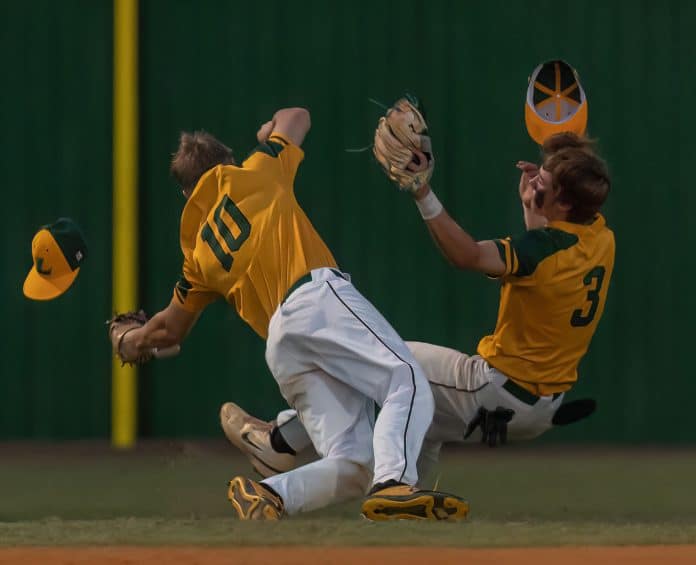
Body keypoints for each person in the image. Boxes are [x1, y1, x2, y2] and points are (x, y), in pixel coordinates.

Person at [111, 107, 468, 521]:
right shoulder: (256, 169)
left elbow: (168, 331)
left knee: (353, 463)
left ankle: (269, 494)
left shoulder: (197, 257)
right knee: (404, 379)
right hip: (315, 299)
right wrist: (267, 131)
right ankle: (394, 485)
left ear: (188, 194)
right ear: (226, 163)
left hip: (282, 345)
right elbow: (297, 116)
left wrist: (127, 339)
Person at [220, 131, 615, 486]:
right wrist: (538, 203)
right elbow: (546, 258)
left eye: (543, 184)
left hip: (494, 389)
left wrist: (422, 193)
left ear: (564, 203)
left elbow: (467, 255)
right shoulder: (600, 236)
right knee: (419, 425)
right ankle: (405, 508)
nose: (533, 182)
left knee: (384, 362)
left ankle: (278, 442)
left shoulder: (542, 250)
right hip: (542, 406)